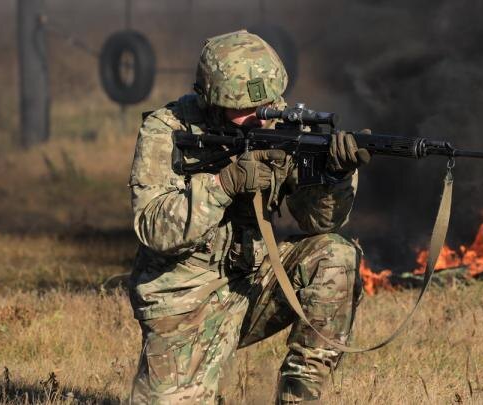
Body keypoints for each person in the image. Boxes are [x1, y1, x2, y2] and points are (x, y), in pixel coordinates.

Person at [128, 29, 370, 404]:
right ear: (213, 100)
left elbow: (319, 223)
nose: (260, 118)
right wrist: (225, 184)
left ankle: (298, 395)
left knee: (335, 255)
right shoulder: (168, 130)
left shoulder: (281, 127)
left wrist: (333, 177)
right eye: (244, 108)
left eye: (266, 105)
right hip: (185, 304)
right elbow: (155, 228)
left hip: (253, 283)